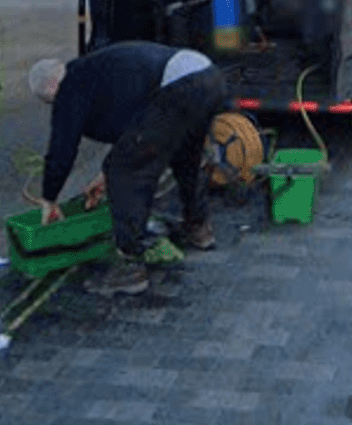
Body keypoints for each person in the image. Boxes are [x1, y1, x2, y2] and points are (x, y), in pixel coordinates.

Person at [29, 43, 226, 296]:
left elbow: (61, 150)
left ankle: (130, 266)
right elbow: (134, 133)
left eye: (52, 103)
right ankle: (198, 228)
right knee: (185, 155)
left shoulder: (70, 87)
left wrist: (49, 198)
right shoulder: (97, 71)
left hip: (178, 87)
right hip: (208, 75)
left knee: (126, 174)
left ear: (51, 88)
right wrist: (104, 174)